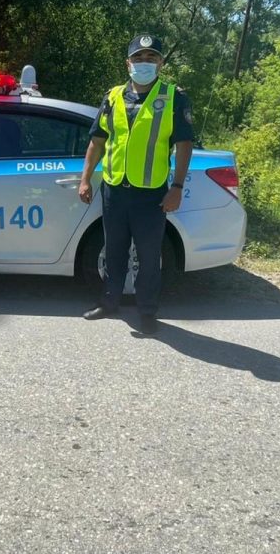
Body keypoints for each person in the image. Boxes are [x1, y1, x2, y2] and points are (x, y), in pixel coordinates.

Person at [78, 34, 194, 335]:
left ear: (161, 63)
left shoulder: (173, 97)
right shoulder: (114, 96)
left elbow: (184, 145)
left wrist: (177, 187)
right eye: (139, 58)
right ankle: (109, 303)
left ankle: (146, 312)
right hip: (114, 189)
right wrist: (85, 178)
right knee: (114, 251)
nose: (144, 63)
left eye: (151, 58)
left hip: (151, 193)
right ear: (128, 62)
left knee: (147, 257)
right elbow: (97, 141)